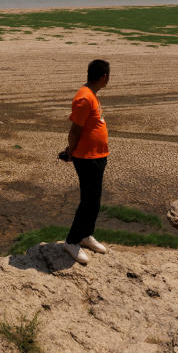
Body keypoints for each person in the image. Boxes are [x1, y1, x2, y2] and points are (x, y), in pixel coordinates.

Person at [59, 59, 111, 265]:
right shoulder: (84, 98)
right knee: (88, 201)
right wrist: (70, 152)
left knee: (95, 200)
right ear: (104, 77)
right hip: (87, 158)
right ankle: (71, 241)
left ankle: (86, 234)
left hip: (97, 155)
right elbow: (74, 131)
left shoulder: (92, 95)